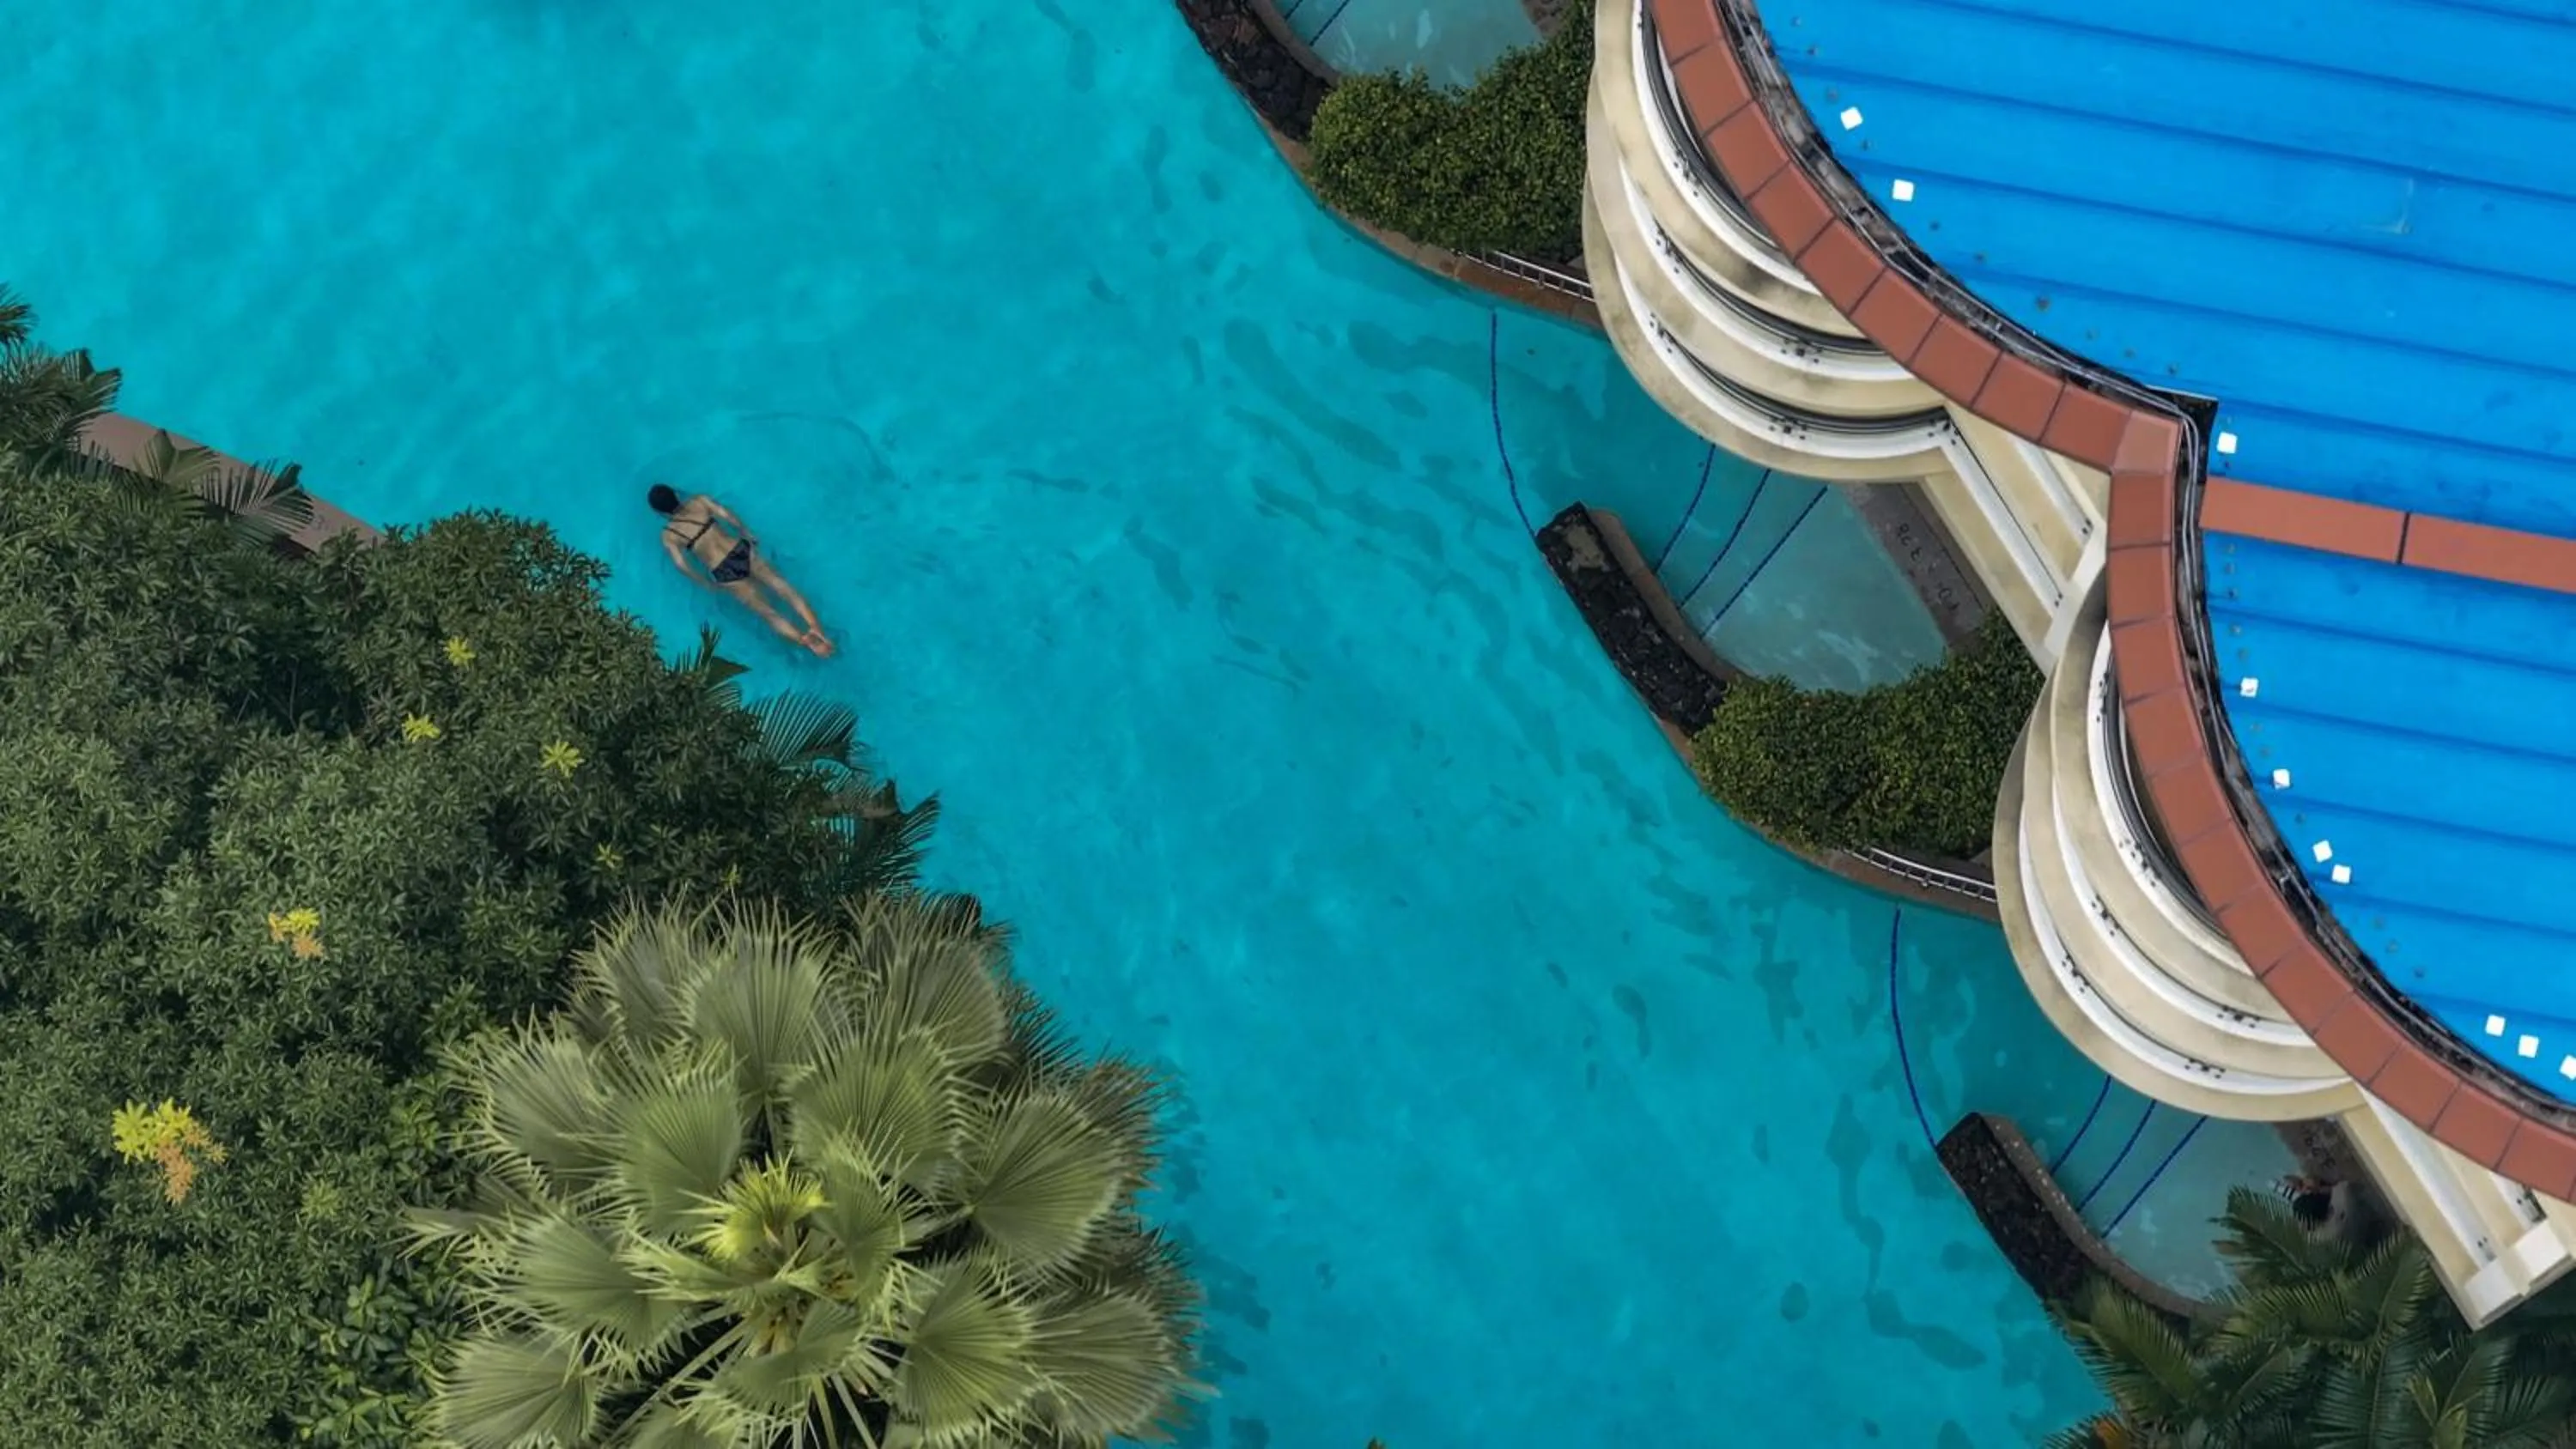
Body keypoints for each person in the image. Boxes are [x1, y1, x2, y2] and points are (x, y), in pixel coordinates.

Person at [647, 483, 834, 657]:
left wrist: (705, 583)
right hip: (739, 549)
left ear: (658, 511)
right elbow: (727, 515)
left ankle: (805, 642)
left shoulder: (669, 535)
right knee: (784, 588)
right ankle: (815, 627)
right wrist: (747, 533)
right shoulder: (699, 501)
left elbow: (682, 565)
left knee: (768, 612)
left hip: (724, 571)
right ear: (675, 494)